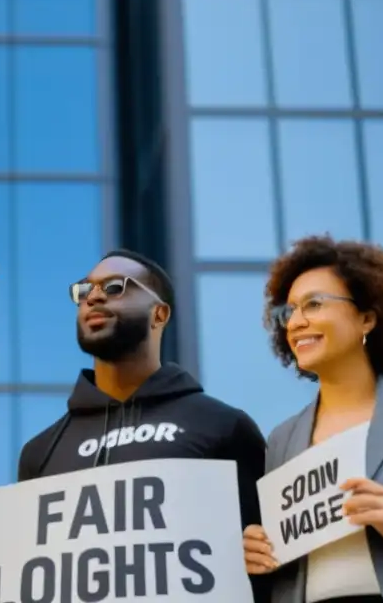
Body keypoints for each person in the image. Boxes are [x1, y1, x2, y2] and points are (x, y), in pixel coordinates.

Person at [17, 249, 269, 600]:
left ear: (159, 314)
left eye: (116, 287)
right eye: (84, 290)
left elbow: (270, 557)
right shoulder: (40, 451)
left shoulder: (224, 427)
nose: (94, 296)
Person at [242, 236, 383, 603]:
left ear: (367, 318)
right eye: (290, 310)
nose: (296, 322)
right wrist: (259, 553)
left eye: (314, 304)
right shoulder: (282, 438)